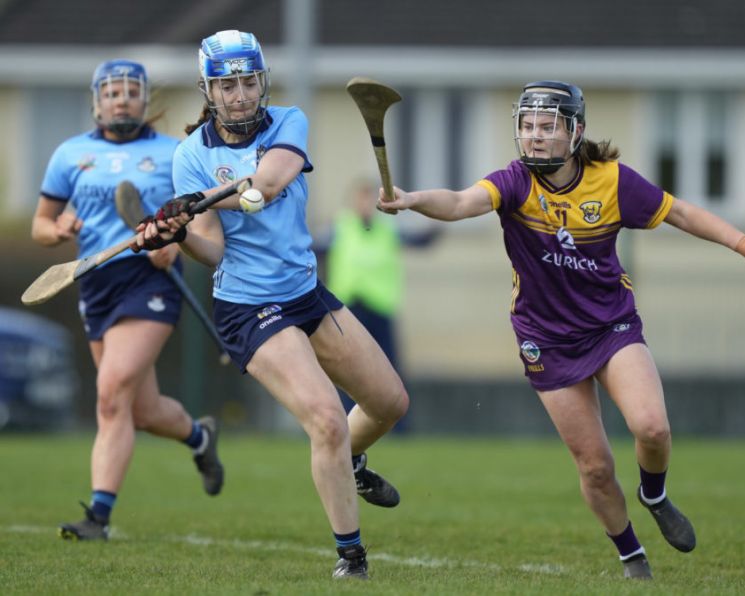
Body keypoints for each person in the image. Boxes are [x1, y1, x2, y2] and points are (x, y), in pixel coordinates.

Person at [376, 80, 745, 579]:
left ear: (575, 131)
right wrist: (414, 198)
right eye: (527, 126)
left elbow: (679, 211)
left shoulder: (612, 182)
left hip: (610, 325)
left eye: (547, 127)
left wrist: (743, 242)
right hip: (545, 338)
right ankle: (631, 556)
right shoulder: (514, 182)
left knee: (653, 428)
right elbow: (462, 202)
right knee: (594, 467)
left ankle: (654, 493)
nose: (534, 137)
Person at [131, 30, 409, 579]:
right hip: (247, 305)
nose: (239, 94)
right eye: (226, 84)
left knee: (390, 403)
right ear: (208, 90)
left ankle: (350, 461)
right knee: (327, 419)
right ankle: (351, 556)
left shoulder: (289, 122)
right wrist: (178, 232)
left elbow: (268, 187)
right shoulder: (191, 156)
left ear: (262, 82)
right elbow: (211, 248)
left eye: (247, 81)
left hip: (305, 292)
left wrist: (198, 200)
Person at [31, 59, 225, 541]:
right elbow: (41, 223)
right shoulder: (70, 154)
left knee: (111, 391)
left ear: (145, 100)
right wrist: (57, 231)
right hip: (95, 283)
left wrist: (174, 244)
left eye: (131, 92)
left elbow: (200, 222)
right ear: (98, 101)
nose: (122, 100)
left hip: (150, 281)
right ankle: (200, 437)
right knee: (140, 409)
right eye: (112, 92)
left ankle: (97, 516)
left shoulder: (174, 154)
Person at [317, 179, 440, 430]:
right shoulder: (340, 227)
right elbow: (311, 248)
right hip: (348, 309)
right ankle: (347, 425)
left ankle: (399, 429)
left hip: (380, 307)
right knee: (347, 370)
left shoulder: (389, 228)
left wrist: (438, 216)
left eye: (369, 199)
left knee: (389, 369)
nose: (365, 205)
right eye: (361, 199)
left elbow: (421, 240)